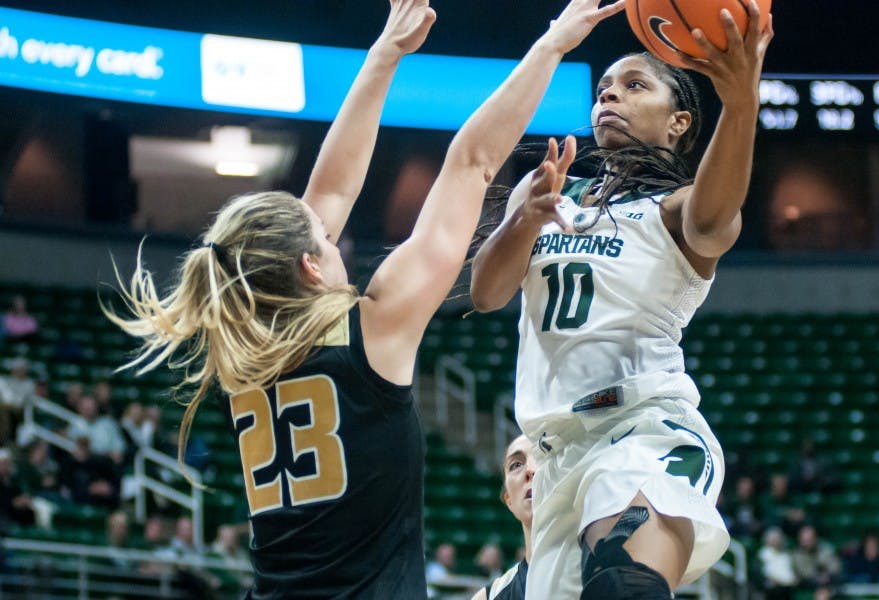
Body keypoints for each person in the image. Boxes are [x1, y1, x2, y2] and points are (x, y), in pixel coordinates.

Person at [103, 0, 625, 597]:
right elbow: (473, 163)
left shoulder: (238, 355)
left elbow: (328, 192)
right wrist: (553, 44)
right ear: (308, 267)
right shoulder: (371, 331)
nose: (336, 235)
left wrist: (385, 54)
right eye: (327, 239)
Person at [471, 4, 773, 595]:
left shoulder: (678, 207)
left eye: (634, 86)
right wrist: (523, 220)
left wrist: (741, 103)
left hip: (645, 427)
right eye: (604, 88)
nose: (610, 97)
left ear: (680, 122)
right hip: (555, 450)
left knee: (621, 578)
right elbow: (486, 293)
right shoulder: (550, 195)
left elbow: (717, 216)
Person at [473, 434, 535, 600]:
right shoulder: (489, 597)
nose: (531, 469)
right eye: (516, 464)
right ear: (509, 502)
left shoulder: (600, 574)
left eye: (543, 455)